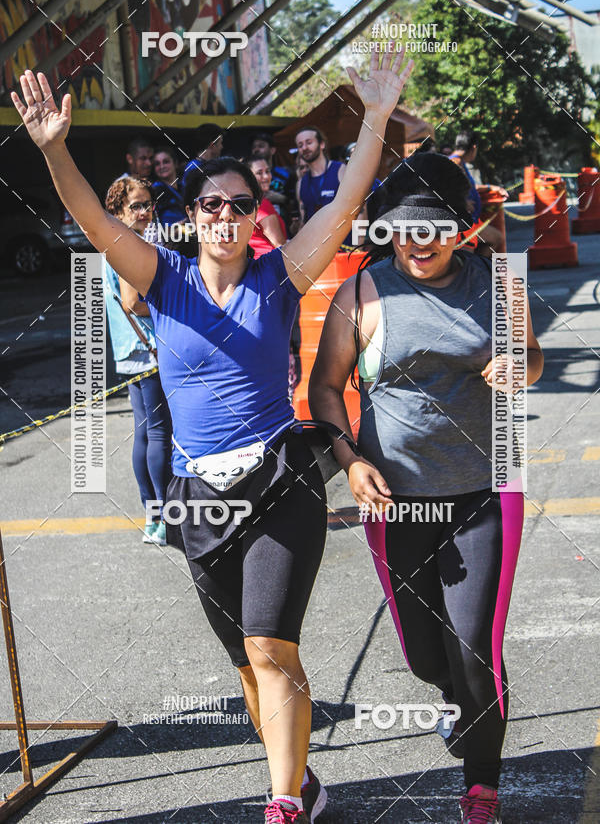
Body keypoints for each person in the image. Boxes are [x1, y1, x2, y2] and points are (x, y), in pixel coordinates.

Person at [12, 49, 413, 824]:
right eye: (210, 205)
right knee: (243, 664)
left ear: (255, 214)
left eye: (238, 204)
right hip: (199, 497)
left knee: (271, 648)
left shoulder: (280, 275)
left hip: (278, 483)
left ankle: (285, 801)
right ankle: (306, 782)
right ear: (190, 215)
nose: (224, 216)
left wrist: (373, 118)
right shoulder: (163, 278)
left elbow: (349, 198)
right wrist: (54, 148)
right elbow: (95, 221)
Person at [308, 151, 544, 824]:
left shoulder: (502, 280)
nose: (419, 240)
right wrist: (350, 460)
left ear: (462, 227)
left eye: (435, 227)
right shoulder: (363, 292)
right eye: (406, 228)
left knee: (476, 646)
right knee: (422, 654)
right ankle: (456, 698)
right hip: (395, 500)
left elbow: (534, 356)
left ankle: (481, 785)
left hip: (486, 490)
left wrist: (518, 365)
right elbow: (325, 387)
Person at [102, 176, 172, 546]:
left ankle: (153, 516)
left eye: (148, 204)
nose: (145, 212)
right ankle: (163, 517)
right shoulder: (128, 243)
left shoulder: (110, 239)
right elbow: (133, 301)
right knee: (159, 430)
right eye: (136, 206)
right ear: (117, 211)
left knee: (146, 430)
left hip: (131, 350)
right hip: (148, 349)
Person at [450, 130, 507, 255]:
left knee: (495, 238)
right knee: (468, 254)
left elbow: (470, 187)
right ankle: (478, 270)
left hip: (472, 221)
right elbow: (445, 189)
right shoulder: (456, 163)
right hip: (464, 223)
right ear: (474, 148)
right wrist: (462, 202)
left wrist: (490, 187)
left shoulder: (460, 162)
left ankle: (480, 268)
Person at [295, 127, 346, 226]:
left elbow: (359, 209)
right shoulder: (301, 184)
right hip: (316, 240)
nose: (304, 148)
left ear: (322, 144)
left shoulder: (340, 170)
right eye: (300, 145)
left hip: (344, 239)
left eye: (309, 142)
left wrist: (358, 240)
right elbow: (303, 221)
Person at [246, 154, 287, 258]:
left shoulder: (245, 201)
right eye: (259, 173)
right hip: (270, 265)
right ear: (249, 177)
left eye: (268, 171)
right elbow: (280, 245)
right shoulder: (261, 204)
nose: (266, 176)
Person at [181, 122, 223, 193]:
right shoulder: (194, 168)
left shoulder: (207, 165)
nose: (222, 147)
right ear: (212, 146)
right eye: (220, 143)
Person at [153, 145, 186, 227]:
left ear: (175, 163)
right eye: (157, 164)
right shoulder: (155, 190)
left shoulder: (184, 186)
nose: (162, 166)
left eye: (166, 162)